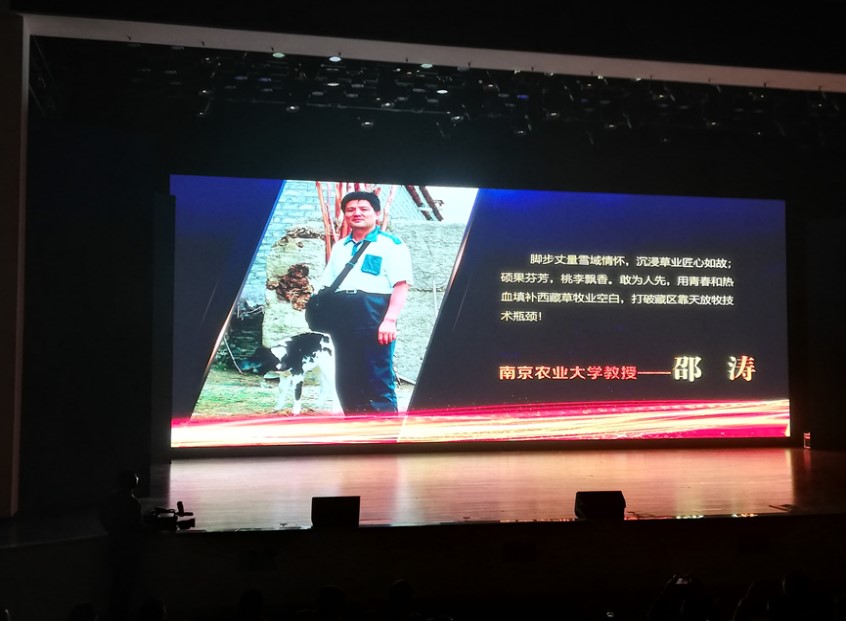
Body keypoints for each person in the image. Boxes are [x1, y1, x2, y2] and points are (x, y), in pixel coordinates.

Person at [316, 190, 412, 415]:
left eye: (363, 209)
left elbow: (401, 285)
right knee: (346, 376)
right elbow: (326, 284)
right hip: (342, 316)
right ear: (345, 215)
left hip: (374, 313)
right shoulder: (341, 246)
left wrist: (389, 320)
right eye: (350, 210)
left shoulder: (391, 245)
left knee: (377, 375)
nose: (356, 213)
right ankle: (355, 425)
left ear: (377, 214)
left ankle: (383, 429)